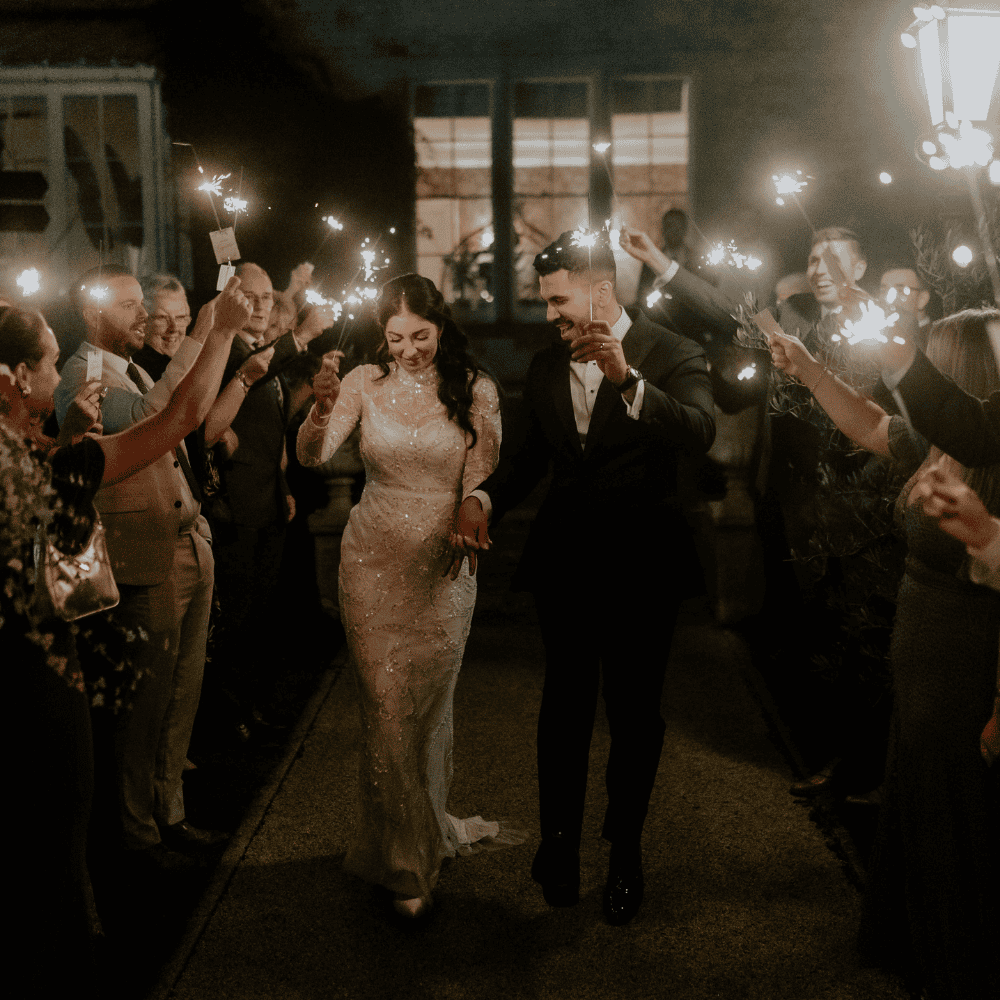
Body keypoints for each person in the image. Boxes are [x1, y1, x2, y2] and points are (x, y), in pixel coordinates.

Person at [455, 230, 716, 926]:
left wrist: (630, 380)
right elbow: (526, 462)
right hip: (567, 563)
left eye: (558, 300)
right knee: (563, 707)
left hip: (644, 566)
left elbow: (700, 430)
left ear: (602, 292)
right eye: (545, 303)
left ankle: (625, 852)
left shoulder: (672, 351)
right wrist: (482, 498)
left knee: (634, 715)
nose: (549, 315)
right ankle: (560, 843)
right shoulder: (545, 368)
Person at [1, 283, 248, 993]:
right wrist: (220, 330)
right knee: (55, 831)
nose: (60, 375)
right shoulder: (41, 471)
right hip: (41, 677)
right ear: (13, 378)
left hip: (30, 664)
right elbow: (179, 418)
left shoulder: (37, 455)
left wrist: (66, 434)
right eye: (49, 363)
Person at [769, 309, 1000, 1000]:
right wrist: (808, 367)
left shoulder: (994, 462)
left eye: (932, 364)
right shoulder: (941, 447)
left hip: (968, 662)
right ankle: (920, 946)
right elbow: (868, 424)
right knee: (923, 805)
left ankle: (963, 964)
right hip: (922, 658)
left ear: (958, 376)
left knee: (964, 822)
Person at [297, 273, 504, 919]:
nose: (409, 350)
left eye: (421, 336)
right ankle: (405, 860)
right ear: (380, 336)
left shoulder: (475, 388)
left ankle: (419, 831)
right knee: (385, 706)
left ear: (441, 327)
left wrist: (473, 505)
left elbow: (484, 472)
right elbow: (314, 455)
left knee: (429, 709)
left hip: (444, 563)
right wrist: (322, 406)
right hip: (372, 558)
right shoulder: (362, 381)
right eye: (395, 338)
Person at [54, 265, 233, 864]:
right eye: (128, 305)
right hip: (140, 558)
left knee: (181, 697)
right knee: (144, 708)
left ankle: (170, 813)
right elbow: (161, 416)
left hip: (183, 542)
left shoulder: (130, 366)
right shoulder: (81, 374)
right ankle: (138, 833)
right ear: (90, 311)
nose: (144, 316)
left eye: (142, 303)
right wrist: (210, 331)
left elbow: (187, 412)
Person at [205, 262, 295, 739]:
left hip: (267, 499)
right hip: (236, 505)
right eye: (253, 297)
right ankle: (231, 711)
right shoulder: (226, 352)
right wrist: (303, 339)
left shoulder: (258, 351)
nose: (263, 306)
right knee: (236, 614)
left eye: (268, 297)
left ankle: (255, 703)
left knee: (261, 611)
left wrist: (285, 486)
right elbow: (209, 416)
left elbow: (271, 432)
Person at [133, 273, 192, 381]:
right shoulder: (140, 371)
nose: (174, 328)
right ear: (141, 322)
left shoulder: (187, 361)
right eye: (162, 318)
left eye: (180, 318)